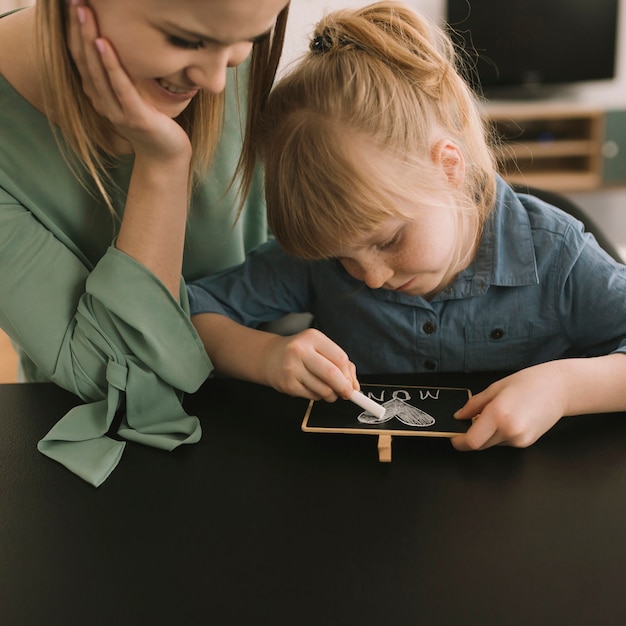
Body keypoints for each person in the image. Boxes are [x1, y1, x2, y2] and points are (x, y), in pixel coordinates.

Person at [188, 1, 626, 452]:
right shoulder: (316, 263)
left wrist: (562, 387)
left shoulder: (558, 255)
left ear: (449, 169)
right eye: (343, 258)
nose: (372, 278)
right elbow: (190, 312)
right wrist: (264, 356)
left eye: (389, 240)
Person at [0, 0, 289, 485]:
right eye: (187, 40)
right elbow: (119, 387)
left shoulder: (224, 39)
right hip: (104, 480)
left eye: (249, 38)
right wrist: (161, 165)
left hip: (272, 424)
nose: (218, 80)